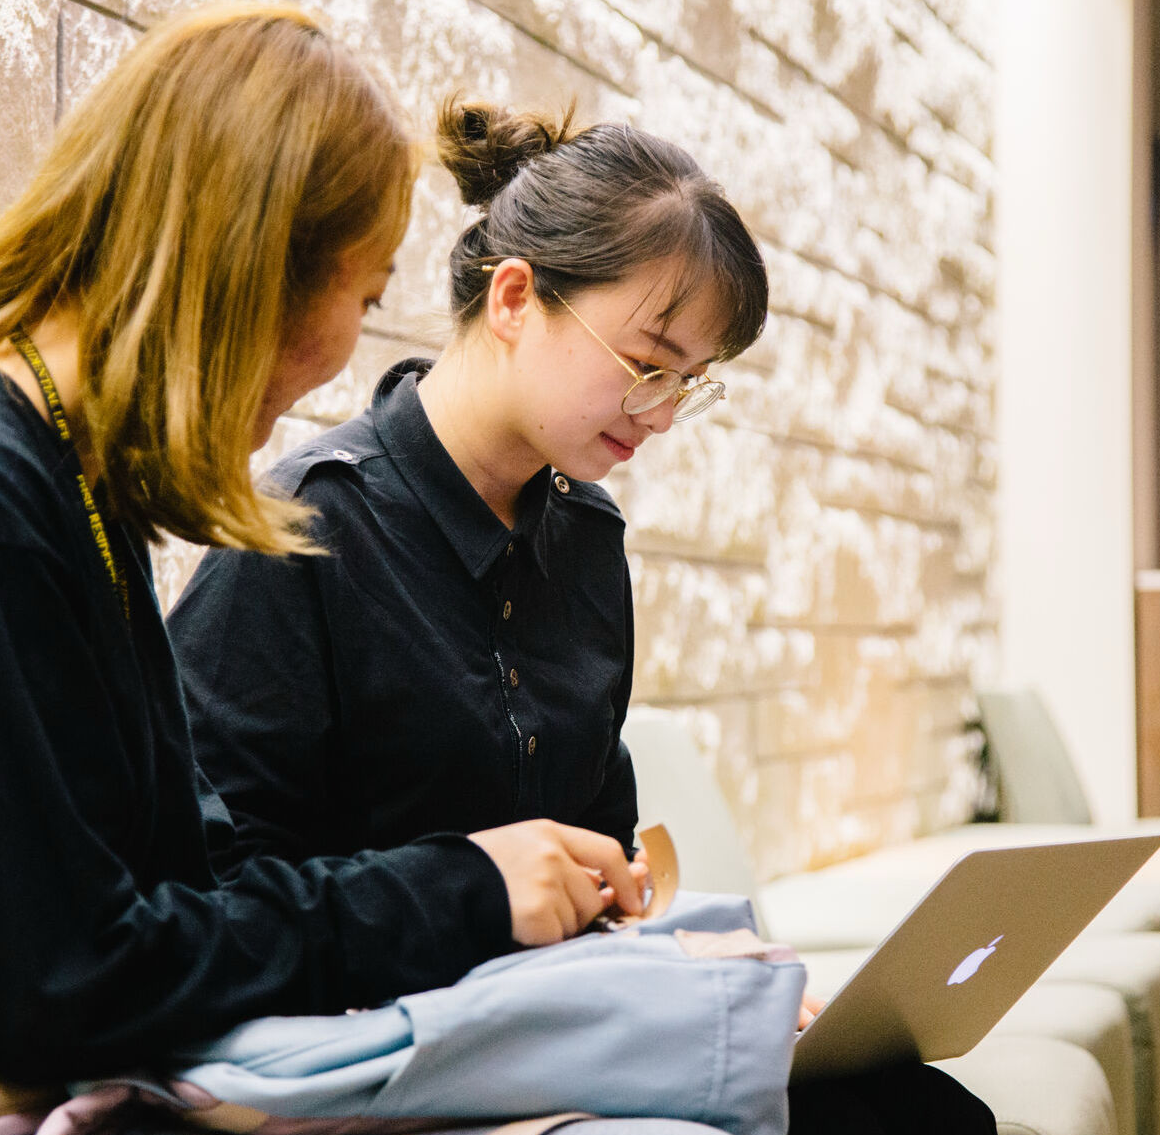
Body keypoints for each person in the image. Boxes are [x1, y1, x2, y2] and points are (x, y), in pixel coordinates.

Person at [0, 6, 648, 1135]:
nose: (339, 357)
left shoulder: (45, 473)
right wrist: (456, 889)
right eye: (359, 300)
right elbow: (62, 983)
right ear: (252, 262)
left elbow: (123, 927)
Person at [168, 100, 996, 1135]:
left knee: (926, 1107)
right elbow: (213, 908)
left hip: (570, 1028)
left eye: (691, 384)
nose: (659, 412)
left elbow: (605, 866)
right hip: (384, 1057)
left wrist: (713, 982)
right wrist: (469, 889)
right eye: (650, 361)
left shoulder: (586, 543)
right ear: (516, 298)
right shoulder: (302, 533)